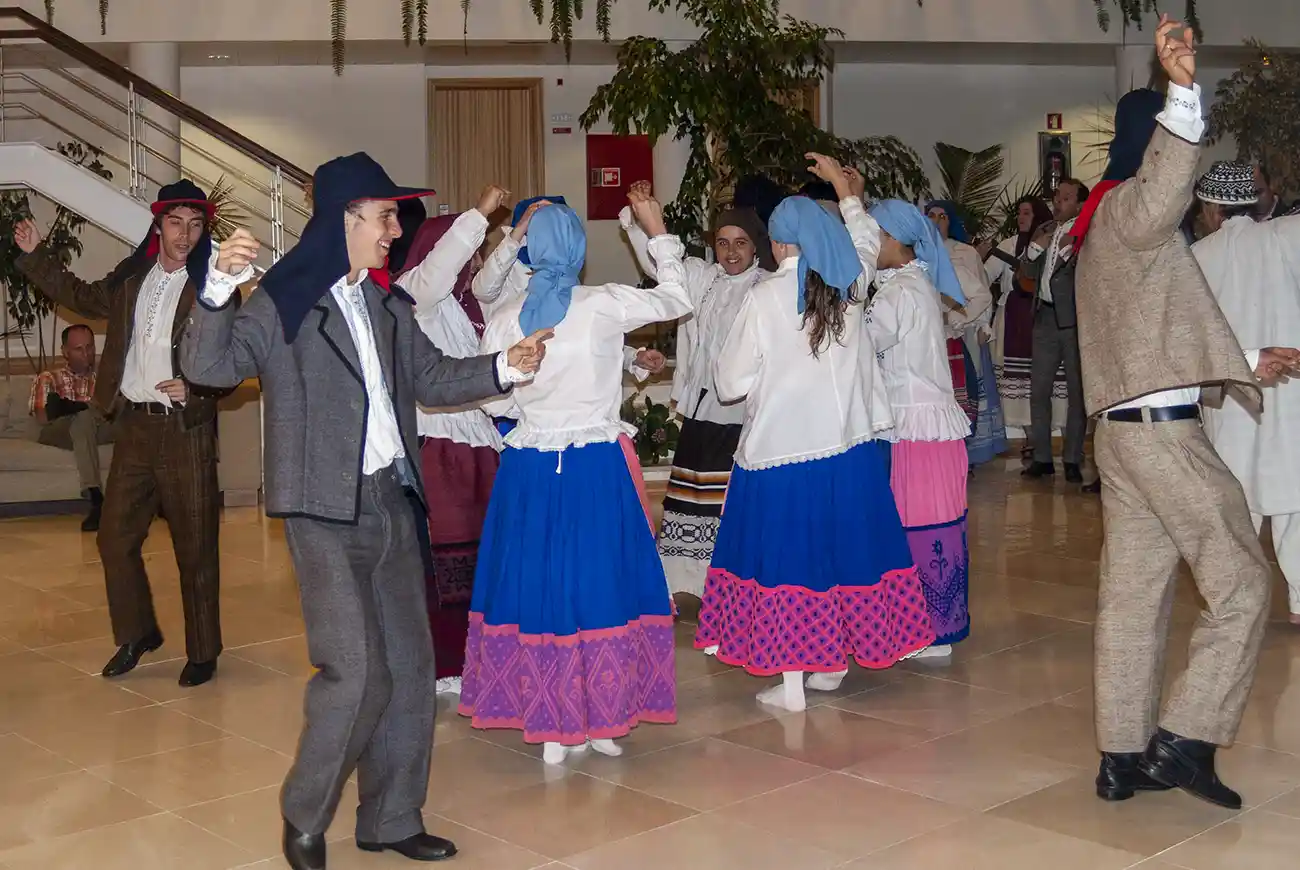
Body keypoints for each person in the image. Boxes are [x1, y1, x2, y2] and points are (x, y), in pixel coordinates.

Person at [181, 151, 550, 870]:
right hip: (324, 513)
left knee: (409, 672)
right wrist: (218, 285)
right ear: (345, 219)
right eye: (384, 216)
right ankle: (305, 815)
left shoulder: (387, 306)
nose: (394, 228)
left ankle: (390, 818)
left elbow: (433, 378)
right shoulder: (282, 304)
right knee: (355, 671)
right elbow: (208, 368)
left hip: (392, 503)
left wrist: (506, 368)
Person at [1072, 17, 1299, 811]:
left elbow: (1151, 342)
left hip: (1123, 439)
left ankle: (1122, 756)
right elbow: (1169, 179)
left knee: (1132, 600)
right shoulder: (1134, 212)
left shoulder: (1097, 227)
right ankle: (1185, 739)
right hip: (1165, 444)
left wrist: (1240, 366)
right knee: (1242, 582)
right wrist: (1182, 87)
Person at [694, 155, 934, 714]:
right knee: (840, 557)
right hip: (850, 453)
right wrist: (845, 191)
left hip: (782, 456)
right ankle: (829, 665)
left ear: (777, 245)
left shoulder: (763, 298)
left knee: (788, 565)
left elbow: (730, 384)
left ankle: (795, 683)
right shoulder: (853, 285)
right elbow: (867, 242)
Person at [459, 194, 689, 765]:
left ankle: (550, 716)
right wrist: (657, 232)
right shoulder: (602, 303)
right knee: (599, 580)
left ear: (531, 252)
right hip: (594, 464)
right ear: (581, 251)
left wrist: (536, 408)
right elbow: (678, 298)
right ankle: (601, 716)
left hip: (530, 466)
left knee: (536, 581)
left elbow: (490, 401)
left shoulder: (507, 315)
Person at [14, 180, 229, 687]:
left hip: (184, 432)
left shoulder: (213, 289)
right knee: (114, 538)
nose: (185, 235)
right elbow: (80, 296)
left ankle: (203, 651)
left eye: (195, 226)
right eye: (176, 223)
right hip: (133, 426)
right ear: (158, 226)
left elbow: (236, 355)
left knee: (195, 548)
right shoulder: (133, 278)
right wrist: (35, 254)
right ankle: (137, 633)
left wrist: (196, 389)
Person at [394, 185, 549, 697]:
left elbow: (502, 292)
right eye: (468, 253)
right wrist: (479, 216)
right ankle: (445, 667)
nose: (474, 264)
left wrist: (516, 234)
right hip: (440, 450)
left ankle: (480, 657)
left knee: (484, 561)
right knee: (448, 566)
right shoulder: (413, 298)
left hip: (480, 447)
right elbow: (438, 272)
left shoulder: (466, 309)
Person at [620, 181, 776, 601]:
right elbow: (660, 264)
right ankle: (688, 580)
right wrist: (640, 219)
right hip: (704, 407)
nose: (731, 252)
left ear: (757, 246)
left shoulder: (767, 288)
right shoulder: (703, 278)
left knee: (728, 497)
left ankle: (732, 578)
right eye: (723, 242)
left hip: (746, 413)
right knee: (691, 495)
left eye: (741, 243)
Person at [1192, 160, 1300, 626]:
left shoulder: (1197, 255)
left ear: (1212, 207)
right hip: (1290, 386)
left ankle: (1233, 605)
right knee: (1294, 494)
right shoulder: (1285, 237)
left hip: (1233, 392)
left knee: (1234, 499)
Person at [869, 200, 974, 657]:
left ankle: (930, 632)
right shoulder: (914, 284)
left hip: (916, 426)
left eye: (871, 235)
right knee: (934, 526)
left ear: (892, 240)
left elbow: (860, 343)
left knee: (923, 528)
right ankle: (935, 626)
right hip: (928, 424)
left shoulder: (899, 293)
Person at [926, 200, 1006, 467]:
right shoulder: (920, 252)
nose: (937, 221)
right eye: (932, 216)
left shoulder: (966, 252)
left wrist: (982, 325)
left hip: (964, 330)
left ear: (950, 221)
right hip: (931, 335)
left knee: (966, 388)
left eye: (943, 216)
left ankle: (969, 452)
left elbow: (981, 290)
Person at [1020, 177, 1089, 482]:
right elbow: (1024, 273)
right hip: (1045, 318)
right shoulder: (1045, 230)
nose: (1057, 202)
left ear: (1080, 203)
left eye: (1065, 197)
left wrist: (1067, 250)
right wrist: (1035, 250)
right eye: (1056, 196)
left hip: (1075, 321)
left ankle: (1073, 459)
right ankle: (1042, 458)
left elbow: (1087, 274)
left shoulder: (1087, 233)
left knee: (1077, 394)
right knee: (1039, 392)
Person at [28, 323, 114, 531]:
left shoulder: (104, 378)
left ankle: (160, 495)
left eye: (90, 347)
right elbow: (41, 417)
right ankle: (95, 495)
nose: (86, 353)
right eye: (79, 349)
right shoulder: (49, 377)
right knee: (82, 418)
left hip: (98, 426)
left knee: (129, 418)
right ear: (65, 352)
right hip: (57, 429)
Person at [985, 196, 1055, 440]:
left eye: (1027, 212)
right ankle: (1031, 439)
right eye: (1019, 213)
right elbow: (984, 276)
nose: (1021, 217)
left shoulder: (1053, 242)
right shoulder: (1008, 245)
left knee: (1046, 377)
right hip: (1013, 318)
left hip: (1045, 315)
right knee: (1020, 381)